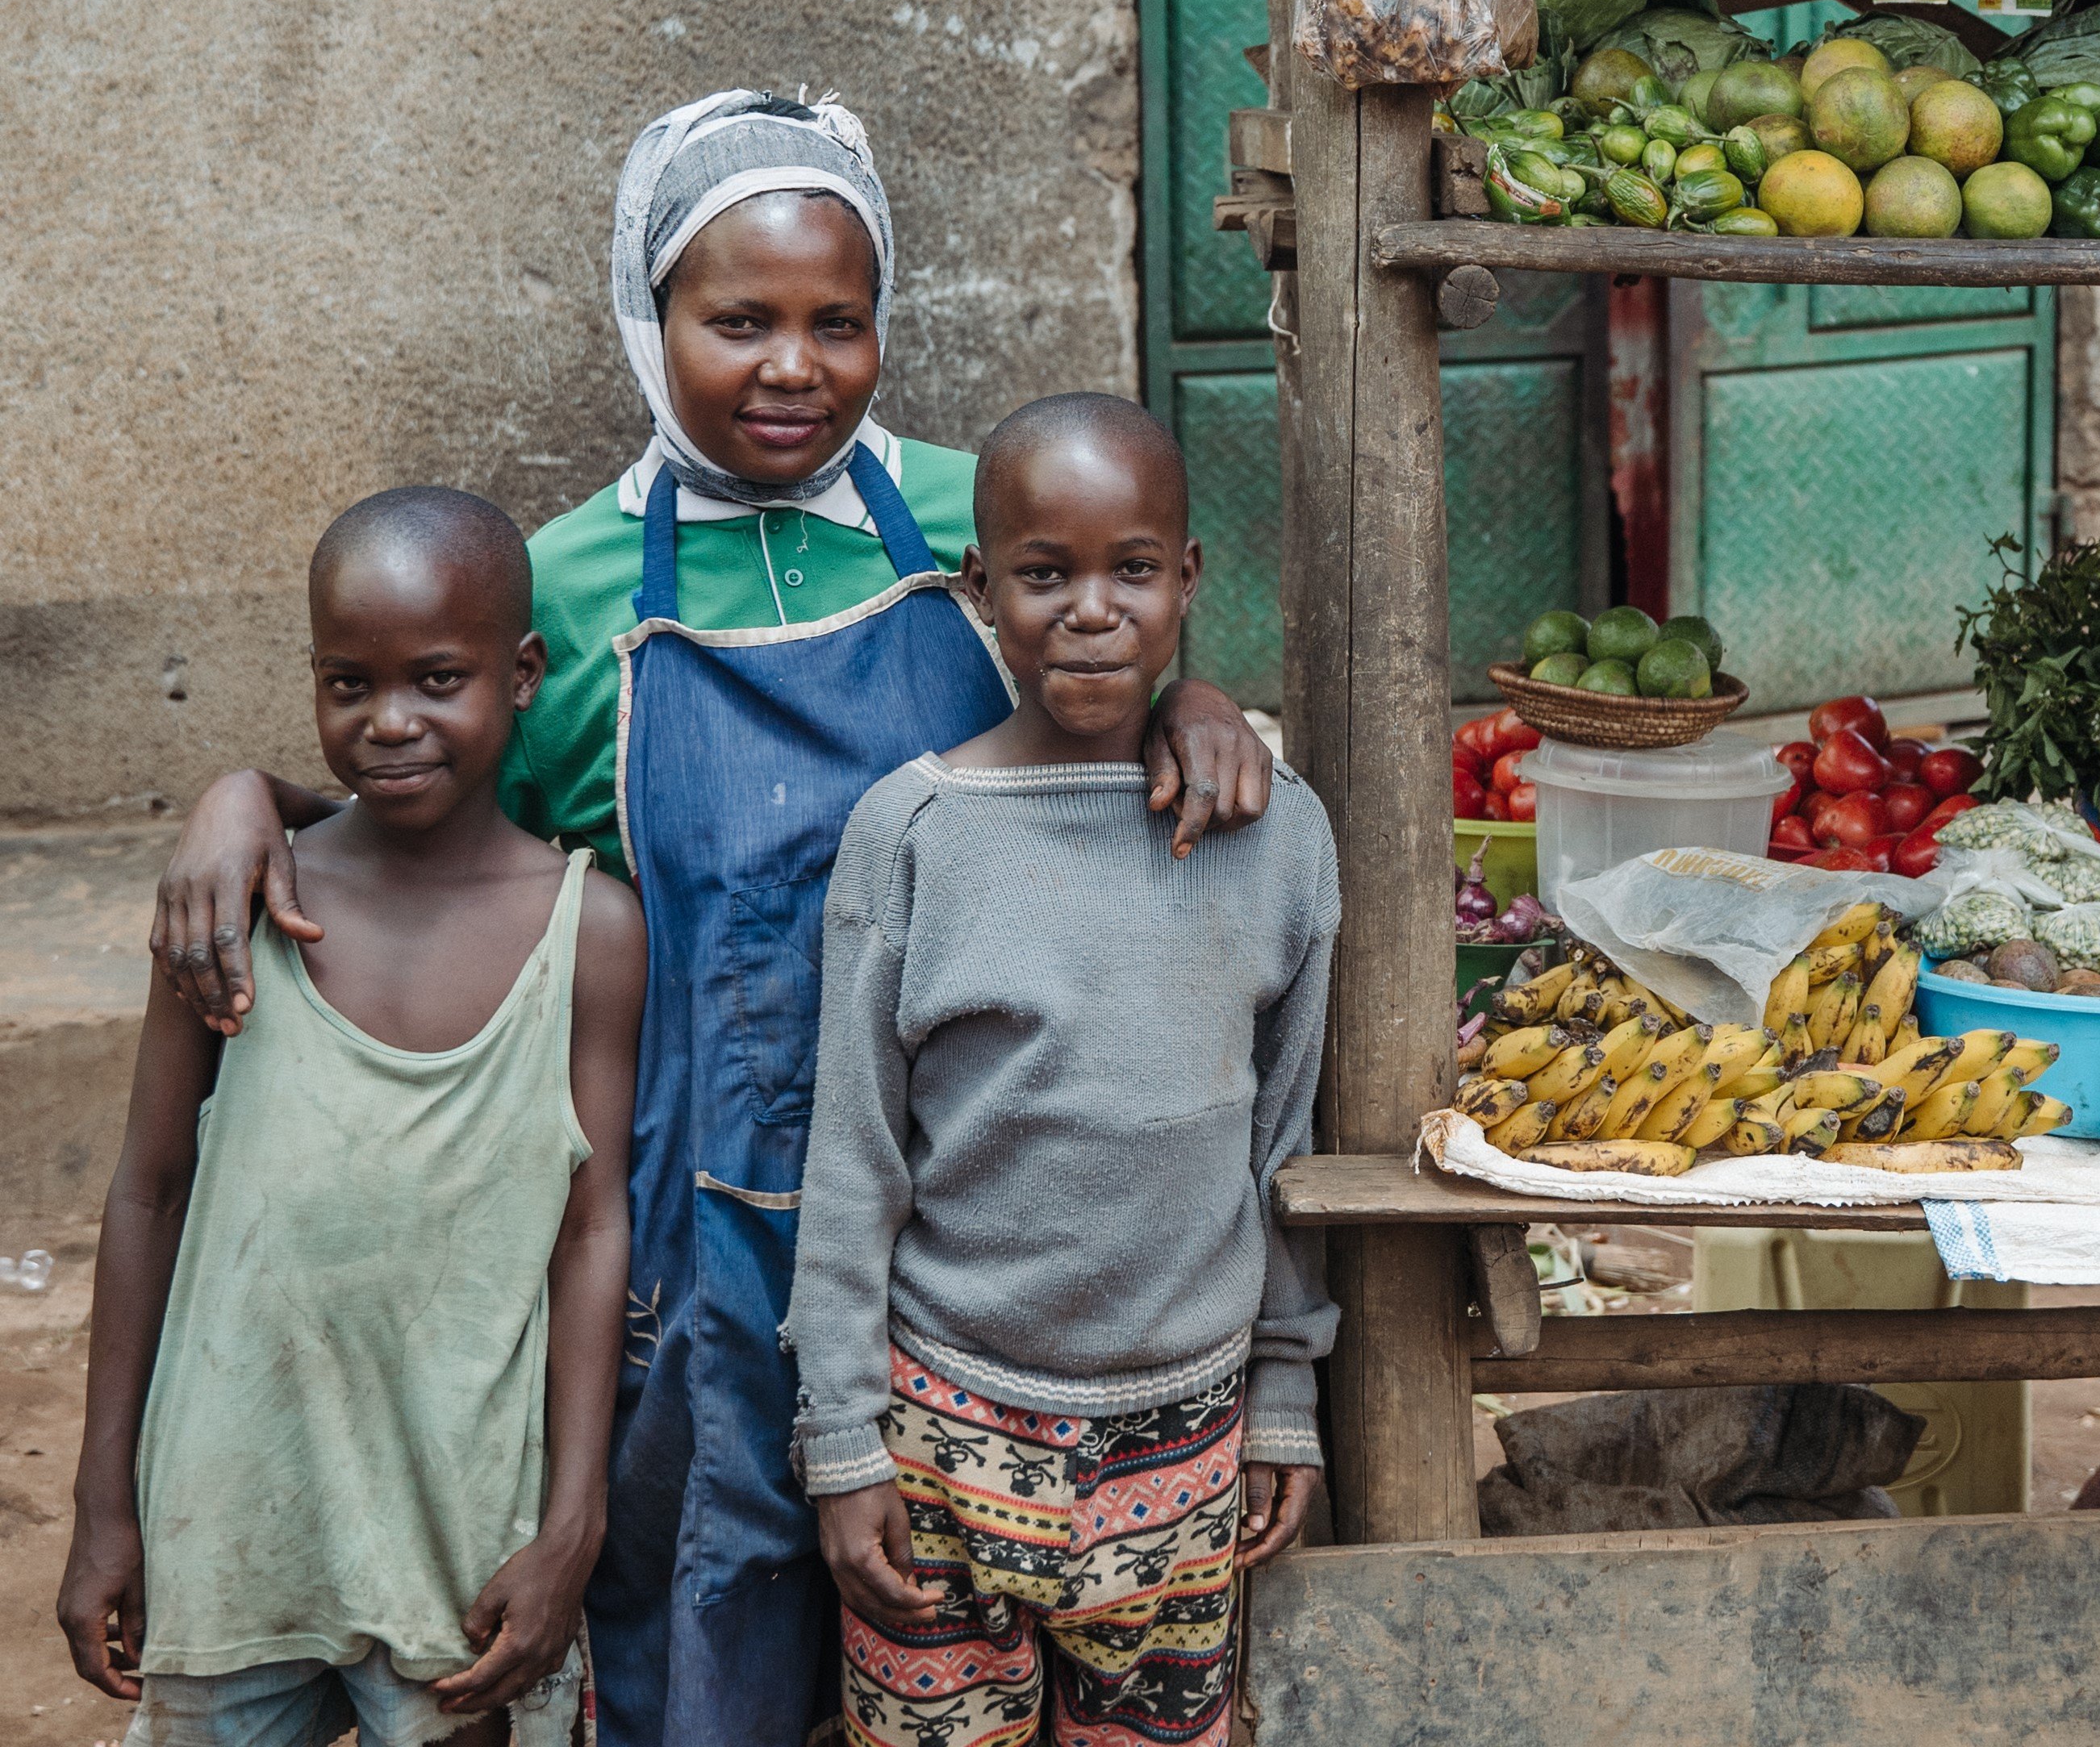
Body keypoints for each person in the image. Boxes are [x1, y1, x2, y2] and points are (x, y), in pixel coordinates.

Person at [138, 92, 1277, 1747]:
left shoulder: (991, 510)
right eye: (733, 322)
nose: (791, 367)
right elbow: (428, 805)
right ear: (644, 316)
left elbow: (1113, 635)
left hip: (970, 1200)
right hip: (692, 1214)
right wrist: (243, 797)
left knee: (948, 1642)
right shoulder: (569, 581)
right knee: (703, 1622)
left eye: (838, 322)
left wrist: (1202, 701)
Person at [787, 393, 1336, 1747]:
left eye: (1132, 570)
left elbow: (1283, 1143)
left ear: (1187, 578)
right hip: (944, 1434)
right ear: (980, 588)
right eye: (1044, 575)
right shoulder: (911, 835)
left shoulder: (1279, 836)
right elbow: (855, 1160)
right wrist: (844, 1442)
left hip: (1186, 1439)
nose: (1091, 610)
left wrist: (1283, 1391)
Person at [57, 488, 645, 1747]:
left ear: (524, 673)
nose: (390, 722)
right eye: (348, 684)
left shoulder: (587, 934)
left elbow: (593, 1231)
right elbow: (147, 1193)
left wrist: (571, 1525)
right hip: (228, 1523)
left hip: (460, 1544)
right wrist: (105, 1501)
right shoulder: (232, 909)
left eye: (439, 678)